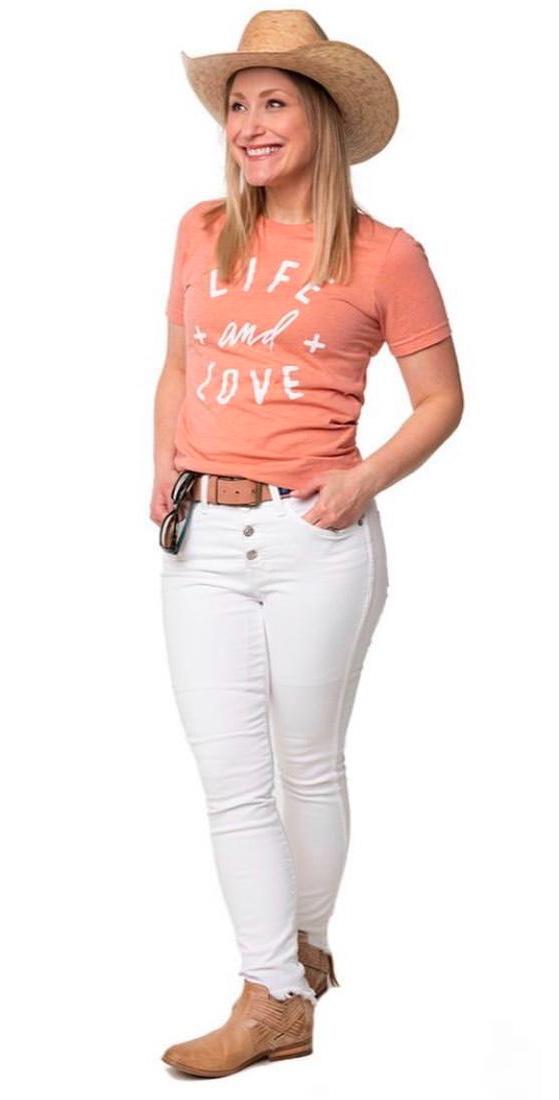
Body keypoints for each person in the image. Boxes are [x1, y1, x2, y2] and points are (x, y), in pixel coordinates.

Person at [151, 9, 463, 1078]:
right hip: (201, 537)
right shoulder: (201, 229)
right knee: (231, 777)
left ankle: (302, 954)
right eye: (237, 104)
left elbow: (441, 398)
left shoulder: (386, 254)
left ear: (322, 118)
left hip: (314, 540)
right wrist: (162, 468)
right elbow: (179, 366)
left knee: (307, 761)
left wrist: (362, 477)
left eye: (272, 101)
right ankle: (273, 988)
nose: (248, 123)